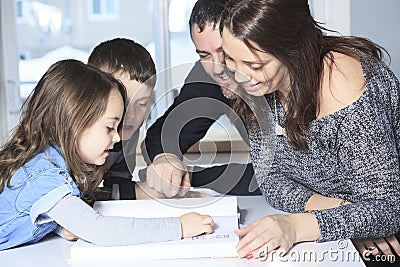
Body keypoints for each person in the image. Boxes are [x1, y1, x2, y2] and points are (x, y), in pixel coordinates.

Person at [220, 0, 400, 264]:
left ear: (292, 48)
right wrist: (346, 217)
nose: (239, 75)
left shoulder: (343, 82)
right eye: (229, 58)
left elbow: (388, 209)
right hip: (345, 240)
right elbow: (271, 179)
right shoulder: (262, 88)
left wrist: (296, 227)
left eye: (255, 65)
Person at [0, 59, 214, 250]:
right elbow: (100, 230)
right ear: (75, 123)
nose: (117, 138)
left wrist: (59, 226)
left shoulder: (54, 162)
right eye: (109, 128)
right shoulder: (44, 174)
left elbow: (34, 212)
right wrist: (180, 227)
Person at [142, 0, 260, 198]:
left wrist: (195, 176)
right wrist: (166, 161)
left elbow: (283, 175)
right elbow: (164, 133)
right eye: (205, 55)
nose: (217, 68)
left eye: (224, 52)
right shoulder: (208, 77)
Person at [87, 38, 162, 201]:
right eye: (123, 102)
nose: (131, 115)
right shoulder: (78, 139)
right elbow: (71, 200)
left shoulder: (127, 132)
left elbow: (117, 184)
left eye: (141, 104)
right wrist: (138, 193)